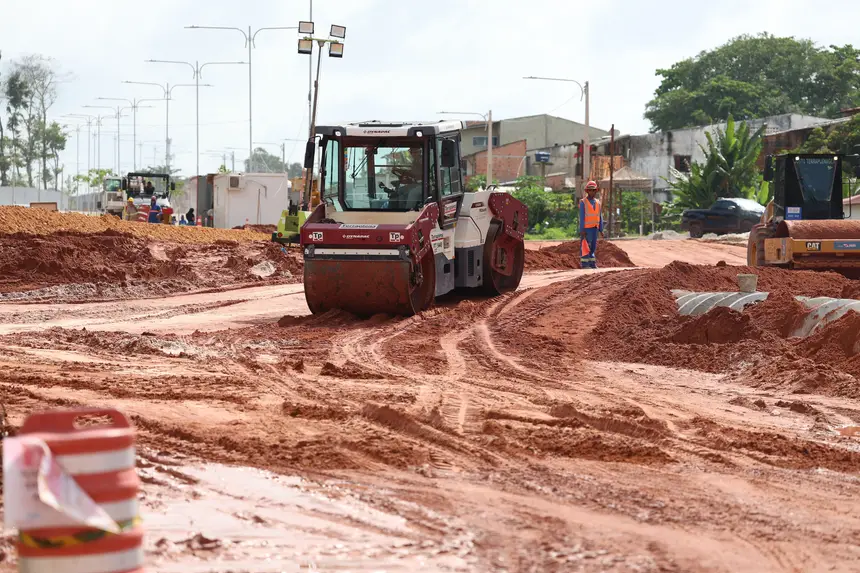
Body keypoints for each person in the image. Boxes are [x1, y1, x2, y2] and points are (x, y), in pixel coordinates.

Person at [579, 180, 604, 269]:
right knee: (586, 246)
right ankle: (585, 264)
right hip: (586, 229)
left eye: (593, 190)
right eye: (590, 190)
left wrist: (601, 229)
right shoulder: (583, 202)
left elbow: (599, 216)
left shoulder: (598, 202)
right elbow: (581, 217)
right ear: (587, 191)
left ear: (596, 191)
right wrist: (582, 230)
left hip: (595, 228)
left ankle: (592, 263)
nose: (591, 192)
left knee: (593, 246)